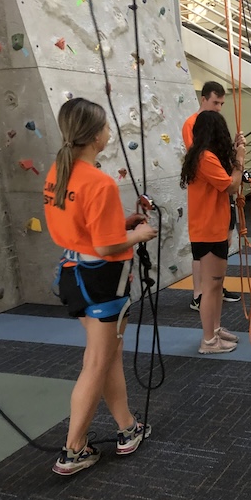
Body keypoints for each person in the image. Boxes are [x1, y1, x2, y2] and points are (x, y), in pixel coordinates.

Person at [43, 98, 158, 475]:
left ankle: (127, 427)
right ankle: (73, 449)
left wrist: (121, 221)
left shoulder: (57, 173)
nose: (110, 132)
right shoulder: (100, 182)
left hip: (72, 274)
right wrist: (140, 232)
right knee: (96, 362)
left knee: (107, 356)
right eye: (107, 127)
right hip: (101, 280)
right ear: (95, 137)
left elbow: (87, 228)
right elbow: (107, 245)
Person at [181, 111, 245, 354]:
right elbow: (231, 185)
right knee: (211, 286)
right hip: (207, 230)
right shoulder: (205, 158)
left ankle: (215, 330)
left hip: (213, 228)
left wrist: (236, 153)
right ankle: (208, 340)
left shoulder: (204, 156)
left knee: (216, 286)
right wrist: (240, 158)